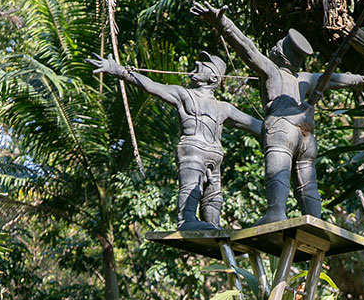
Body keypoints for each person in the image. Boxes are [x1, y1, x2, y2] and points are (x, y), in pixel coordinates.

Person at [191, 2, 364, 224]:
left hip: (282, 128)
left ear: (281, 53)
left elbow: (248, 50)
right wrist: (357, 80)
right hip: (307, 135)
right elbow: (333, 79)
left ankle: (276, 211)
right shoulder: (304, 78)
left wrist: (223, 24)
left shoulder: (272, 72)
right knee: (307, 179)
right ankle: (314, 218)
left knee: (279, 169)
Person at [89, 52, 262, 230]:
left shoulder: (224, 108)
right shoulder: (184, 95)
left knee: (214, 196)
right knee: (190, 188)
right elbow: (151, 86)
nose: (196, 62)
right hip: (192, 151)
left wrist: (283, 125)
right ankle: (186, 221)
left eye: (203, 63)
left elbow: (257, 126)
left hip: (215, 156)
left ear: (213, 77)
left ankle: (213, 225)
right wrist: (121, 71)